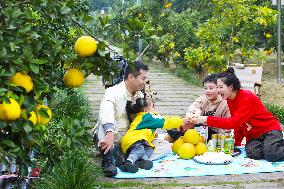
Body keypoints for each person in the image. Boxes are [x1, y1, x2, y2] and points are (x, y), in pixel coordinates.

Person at [191, 67, 284, 162]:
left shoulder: (246, 97)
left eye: (220, 87)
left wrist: (206, 119)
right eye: (217, 87)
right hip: (254, 135)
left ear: (230, 87)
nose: (218, 90)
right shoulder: (230, 99)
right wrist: (237, 143)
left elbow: (233, 122)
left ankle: (272, 146)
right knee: (252, 153)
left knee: (271, 154)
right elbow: (239, 124)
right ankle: (271, 146)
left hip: (269, 130)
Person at [93, 61, 148, 177]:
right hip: (110, 137)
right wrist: (110, 132)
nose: (144, 82)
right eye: (143, 79)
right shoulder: (113, 91)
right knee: (105, 126)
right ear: (131, 77)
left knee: (164, 146)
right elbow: (106, 110)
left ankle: (125, 157)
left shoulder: (139, 96)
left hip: (128, 139)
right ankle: (109, 160)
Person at [119, 96, 187, 173]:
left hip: (140, 139)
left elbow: (144, 131)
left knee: (149, 149)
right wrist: (181, 121)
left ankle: (142, 161)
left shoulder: (142, 117)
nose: (155, 109)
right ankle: (128, 162)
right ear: (145, 109)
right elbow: (166, 121)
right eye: (153, 107)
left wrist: (154, 135)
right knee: (140, 150)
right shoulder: (148, 116)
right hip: (134, 139)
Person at [165, 74, 231, 142]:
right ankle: (179, 136)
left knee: (196, 127)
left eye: (211, 88)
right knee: (179, 123)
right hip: (201, 129)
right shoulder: (203, 99)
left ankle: (181, 137)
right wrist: (191, 117)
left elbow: (228, 125)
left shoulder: (225, 103)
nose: (208, 91)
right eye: (205, 88)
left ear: (218, 89)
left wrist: (204, 121)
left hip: (216, 134)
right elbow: (193, 107)